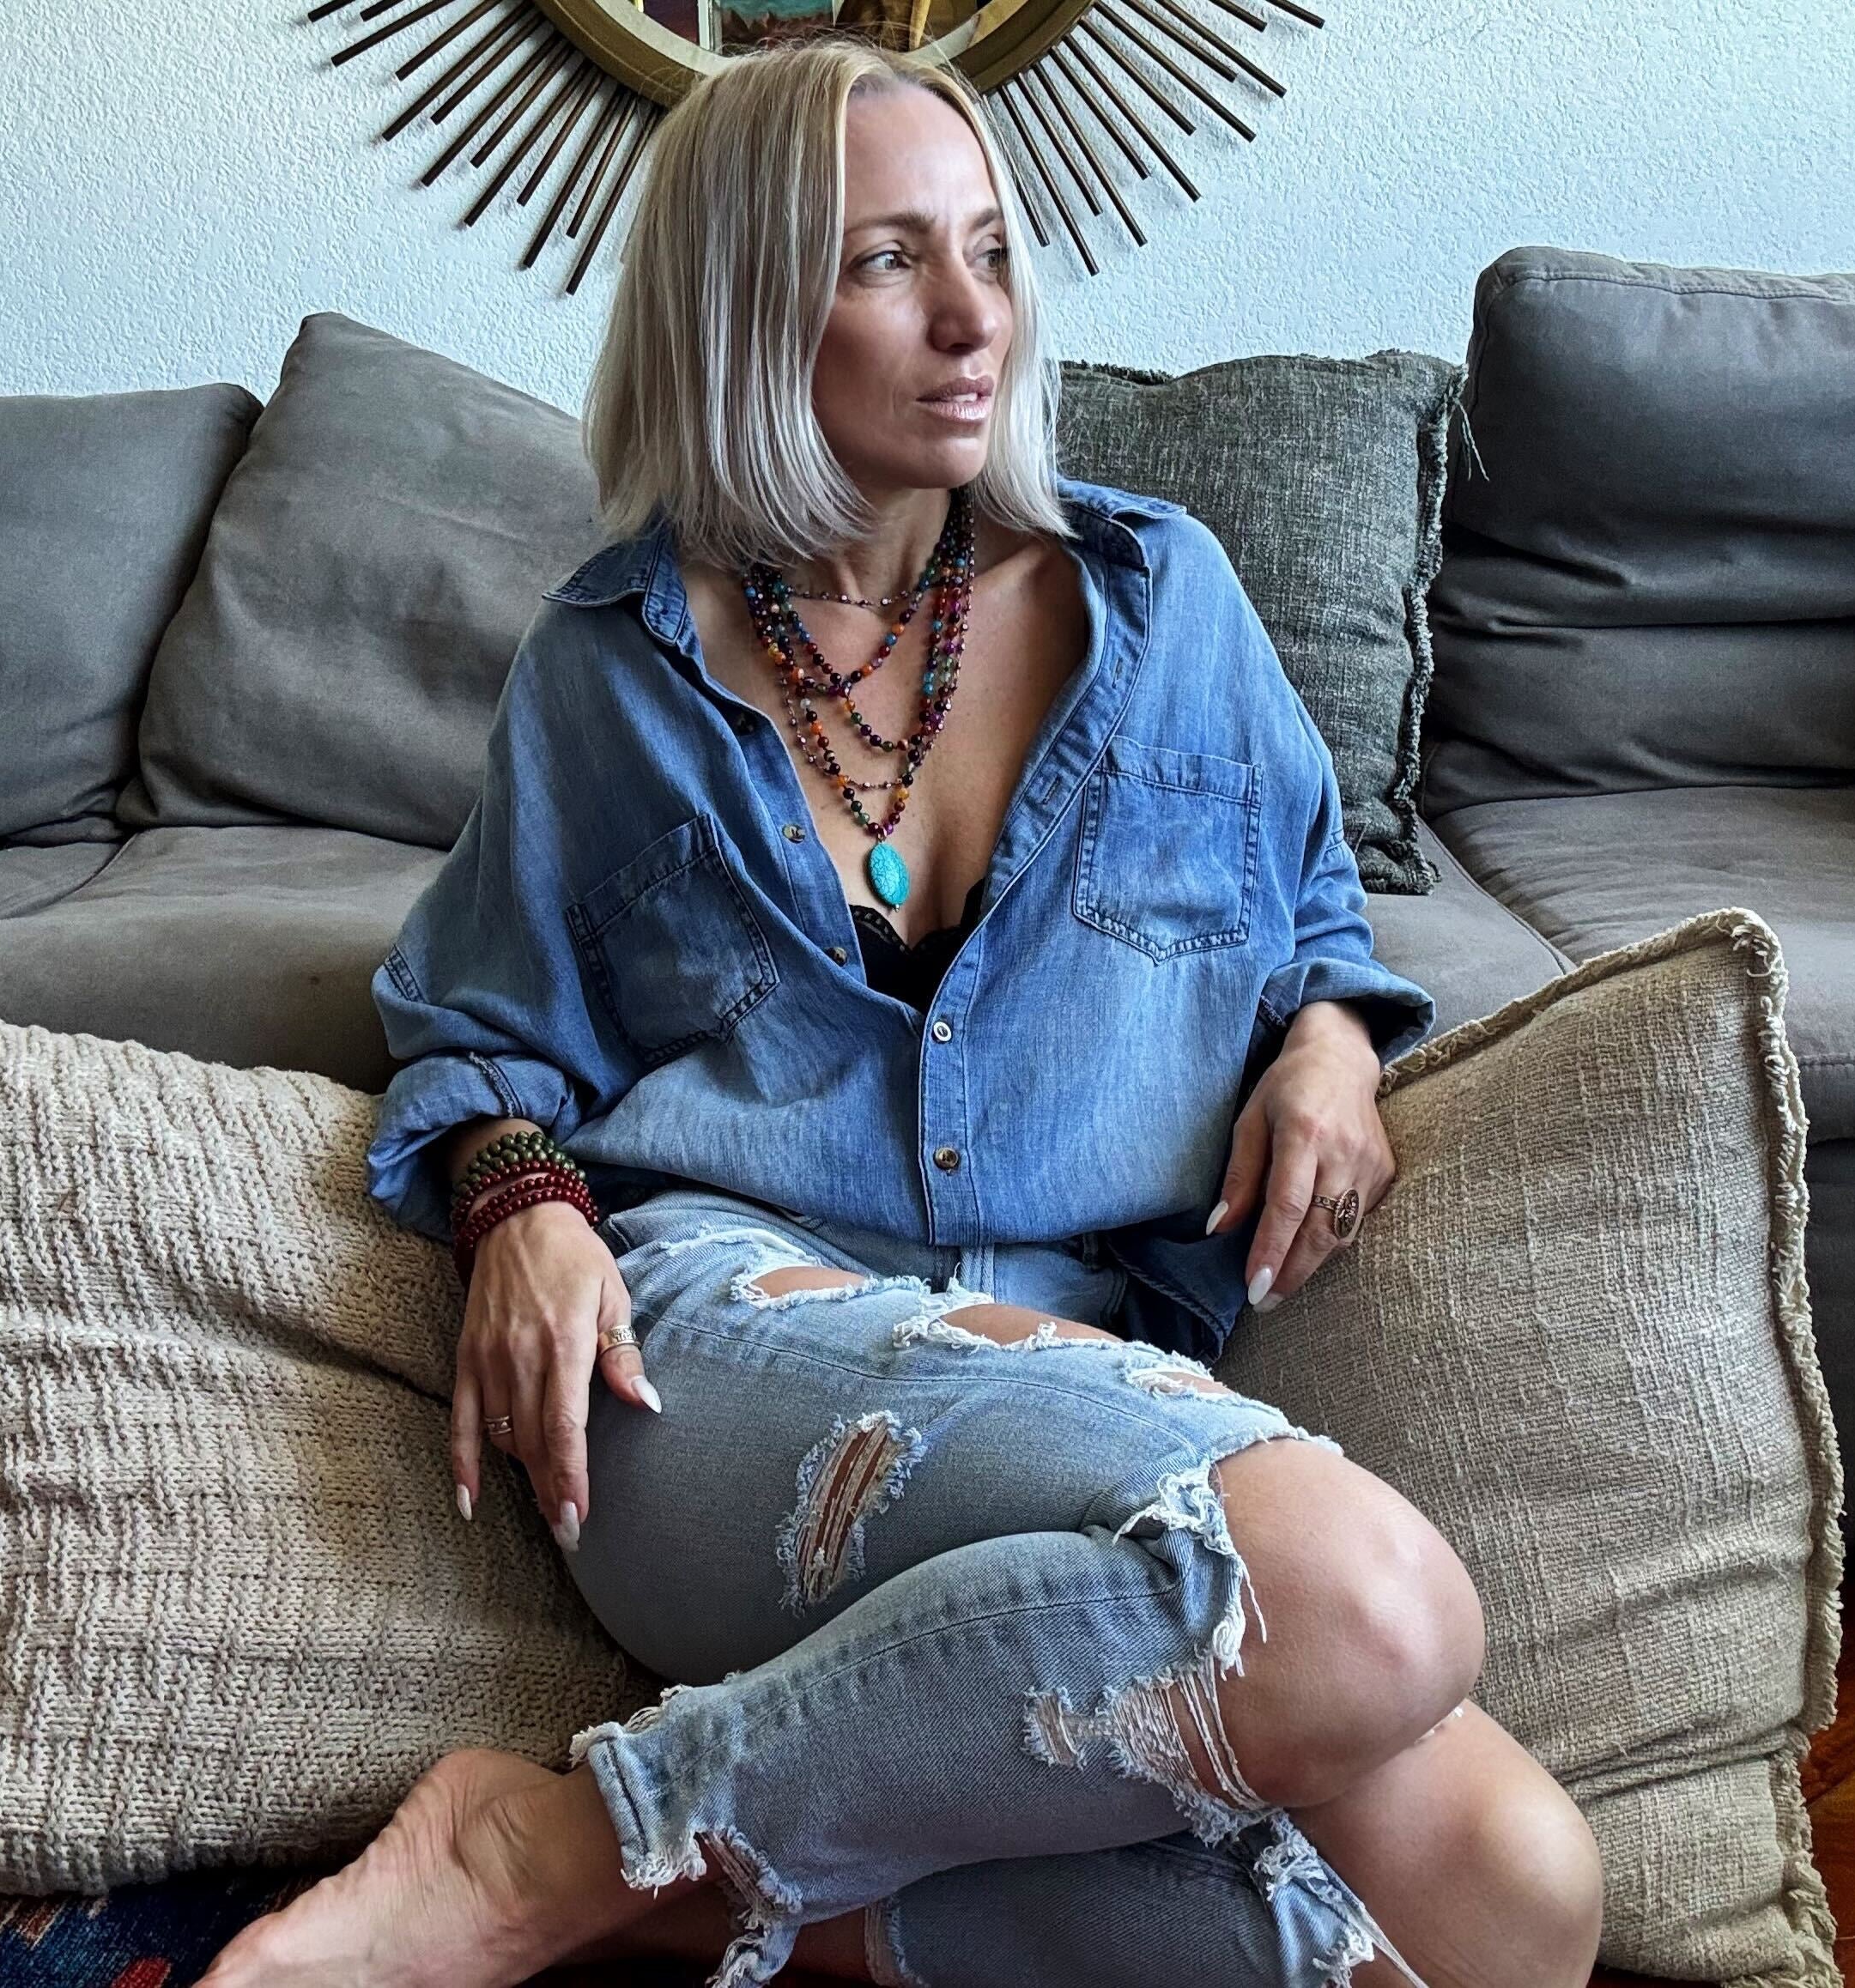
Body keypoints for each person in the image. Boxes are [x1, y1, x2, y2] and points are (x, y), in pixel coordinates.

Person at [198, 33, 1604, 1988]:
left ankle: (631, 1860)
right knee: (1365, 1608)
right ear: (746, 311)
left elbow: (1311, 914)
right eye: (885, 262)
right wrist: (519, 1204)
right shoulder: (614, 671)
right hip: (720, 1366)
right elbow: (477, 1025)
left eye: (993, 252)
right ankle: (555, 1860)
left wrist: (1331, 1044)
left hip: (1072, 1398)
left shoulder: (1167, 602)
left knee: (1517, 1898)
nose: (973, 319)